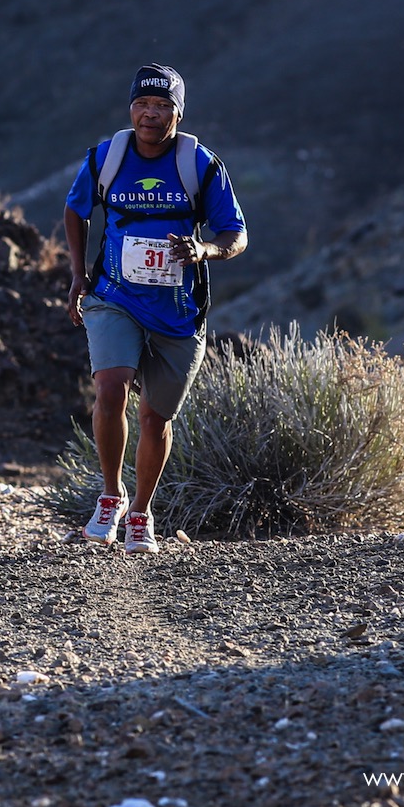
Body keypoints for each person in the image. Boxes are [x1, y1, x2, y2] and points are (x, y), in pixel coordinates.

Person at [63, 64, 246, 553]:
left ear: (178, 114)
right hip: (114, 296)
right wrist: (79, 274)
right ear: (131, 109)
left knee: (155, 419)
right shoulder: (106, 158)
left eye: (163, 105)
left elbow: (236, 234)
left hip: (178, 310)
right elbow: (76, 209)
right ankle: (111, 496)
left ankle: (141, 513)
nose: (150, 114)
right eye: (142, 104)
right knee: (110, 388)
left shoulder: (200, 164)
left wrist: (204, 249)